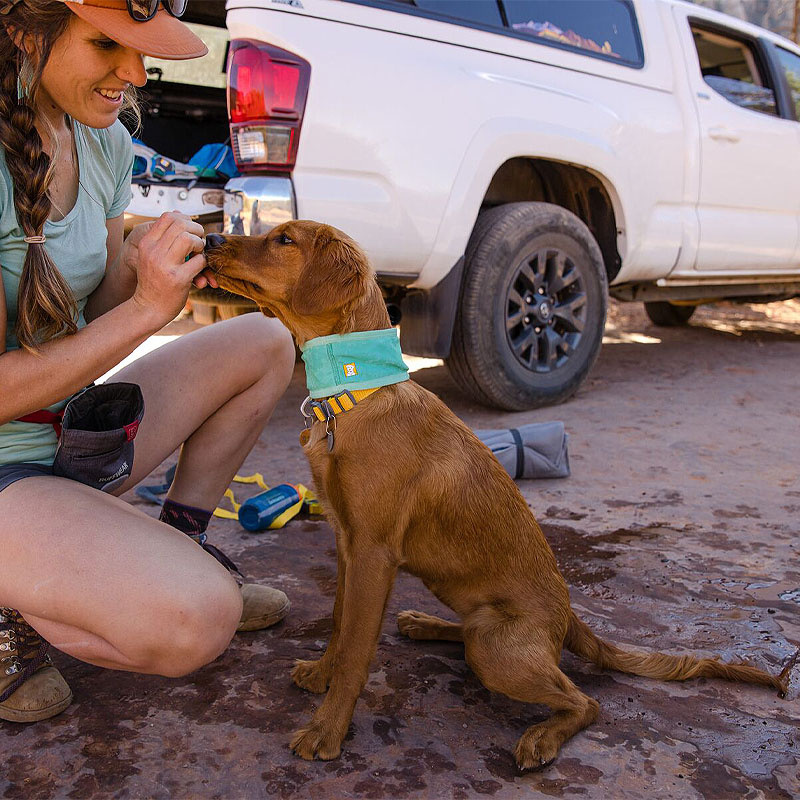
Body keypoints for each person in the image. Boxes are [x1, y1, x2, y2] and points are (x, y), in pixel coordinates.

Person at [0, 0, 297, 722]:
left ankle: (176, 542)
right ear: (20, 30)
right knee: (195, 621)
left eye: (142, 48)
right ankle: (16, 602)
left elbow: (86, 320)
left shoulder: (100, 140)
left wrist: (135, 273)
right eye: (107, 43)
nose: (134, 74)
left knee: (265, 343)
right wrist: (144, 312)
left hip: (63, 429)